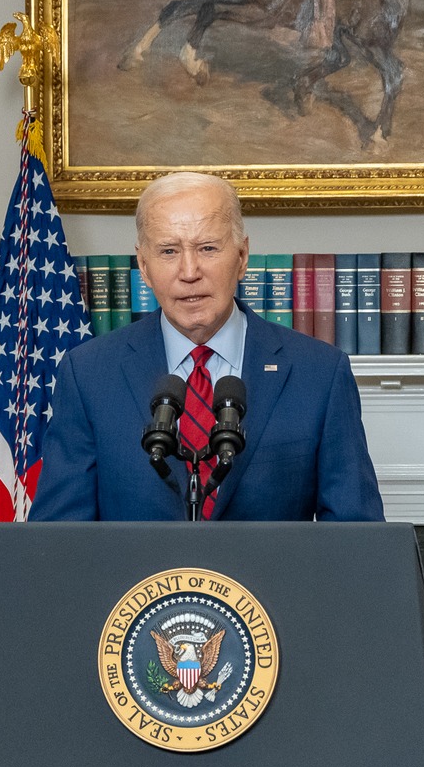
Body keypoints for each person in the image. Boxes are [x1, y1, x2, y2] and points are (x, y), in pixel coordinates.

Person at [29, 171, 382, 521]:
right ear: (144, 266)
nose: (189, 271)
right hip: (135, 580)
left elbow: (357, 539)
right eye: (168, 251)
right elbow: (58, 541)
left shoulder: (319, 373)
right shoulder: (89, 373)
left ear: (242, 256)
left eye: (207, 248)